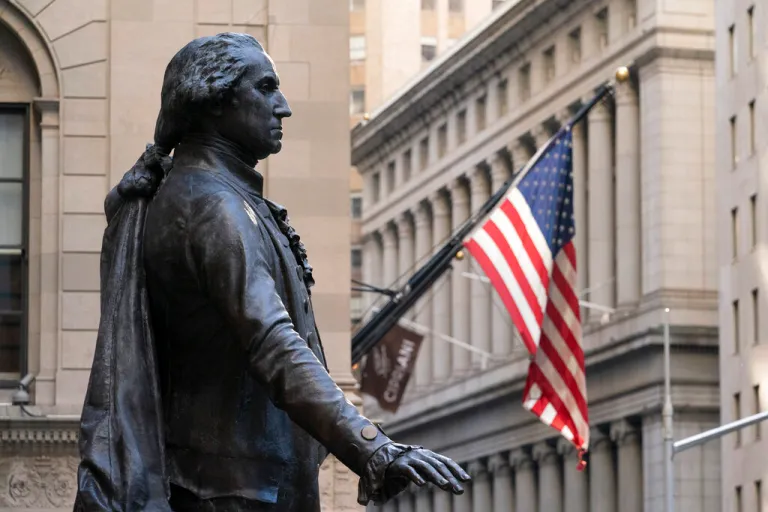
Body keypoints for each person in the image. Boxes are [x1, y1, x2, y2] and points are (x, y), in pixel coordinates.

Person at [74, 33, 469, 511]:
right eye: (265, 88)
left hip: (243, 487)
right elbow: (272, 343)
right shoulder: (211, 206)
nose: (283, 107)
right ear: (213, 101)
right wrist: (373, 447)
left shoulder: (217, 196)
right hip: (235, 493)